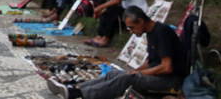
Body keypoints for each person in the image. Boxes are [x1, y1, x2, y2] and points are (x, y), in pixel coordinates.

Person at [48, 6, 186, 99]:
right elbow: (151, 61)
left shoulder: (162, 32)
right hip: (158, 74)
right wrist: (137, 70)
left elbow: (166, 67)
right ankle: (75, 86)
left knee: (126, 79)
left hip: (171, 79)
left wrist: (138, 73)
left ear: (141, 21)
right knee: (113, 73)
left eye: (132, 27)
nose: (131, 31)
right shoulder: (150, 32)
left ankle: (79, 93)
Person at [85, 0, 149, 47]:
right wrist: (102, 11)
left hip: (137, 13)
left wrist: (99, 7)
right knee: (108, 10)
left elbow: (117, 0)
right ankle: (100, 35)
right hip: (129, 12)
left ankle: (106, 37)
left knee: (113, 9)